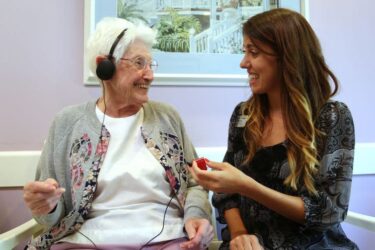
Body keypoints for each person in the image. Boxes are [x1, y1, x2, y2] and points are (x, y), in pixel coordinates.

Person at [23, 17, 213, 250]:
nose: (149, 75)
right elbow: (52, 213)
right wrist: (46, 207)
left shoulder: (167, 117)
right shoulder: (67, 122)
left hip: (167, 241)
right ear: (105, 67)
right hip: (84, 242)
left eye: (150, 64)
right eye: (138, 63)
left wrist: (195, 215)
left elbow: (196, 182)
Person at [189, 8, 358, 250]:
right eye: (245, 52)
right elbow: (227, 195)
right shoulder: (244, 115)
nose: (243, 63)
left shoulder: (331, 117)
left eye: (253, 52)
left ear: (287, 57)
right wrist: (239, 235)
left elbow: (328, 212)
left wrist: (247, 186)